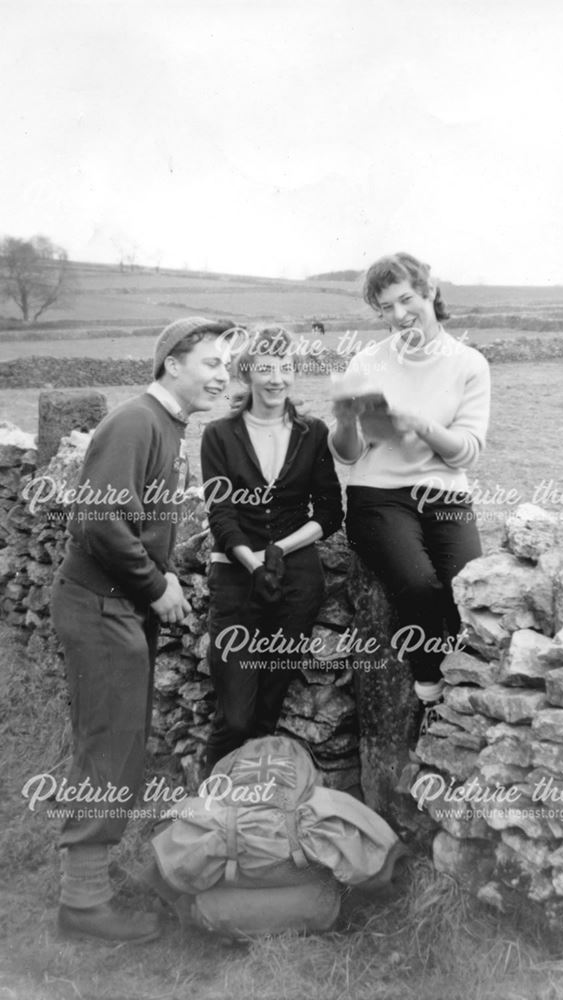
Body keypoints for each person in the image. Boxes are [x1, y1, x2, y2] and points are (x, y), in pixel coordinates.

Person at [50, 316, 233, 943]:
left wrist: (155, 582)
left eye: (226, 366)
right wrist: (157, 586)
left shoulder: (167, 425)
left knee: (118, 741)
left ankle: (88, 888)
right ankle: (83, 905)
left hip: (115, 604)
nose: (222, 376)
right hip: (101, 605)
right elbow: (101, 521)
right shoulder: (136, 421)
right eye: (211, 363)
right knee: (109, 744)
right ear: (173, 362)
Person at [329, 252, 490, 717]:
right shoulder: (367, 362)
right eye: (385, 308)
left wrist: (422, 425)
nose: (398, 315)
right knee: (419, 585)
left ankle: (475, 700)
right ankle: (430, 687)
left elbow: (467, 452)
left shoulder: (469, 364)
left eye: (405, 300)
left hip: (445, 494)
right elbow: (350, 454)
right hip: (377, 497)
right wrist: (343, 423)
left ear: (430, 291)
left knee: (468, 591)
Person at [200, 327, 343, 772]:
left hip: (297, 583)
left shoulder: (312, 433)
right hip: (237, 578)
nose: (277, 378)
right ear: (247, 374)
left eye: (285, 368)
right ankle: (208, 810)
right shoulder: (219, 435)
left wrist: (279, 550)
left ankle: (248, 815)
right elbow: (221, 515)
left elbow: (330, 511)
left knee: (266, 712)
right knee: (235, 716)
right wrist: (252, 559)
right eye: (265, 368)